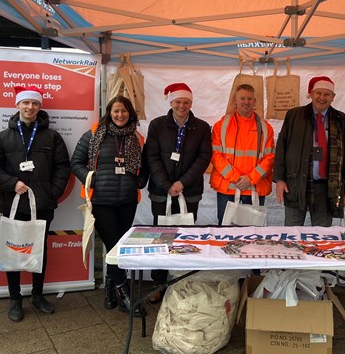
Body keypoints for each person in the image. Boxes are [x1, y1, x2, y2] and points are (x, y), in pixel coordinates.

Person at [0, 85, 70, 322]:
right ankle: (15, 298)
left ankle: (37, 295)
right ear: (17, 106)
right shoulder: (2, 138)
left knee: (39, 250)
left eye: (34, 103)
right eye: (25, 103)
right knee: (13, 250)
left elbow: (62, 167)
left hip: (43, 205)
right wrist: (11, 183)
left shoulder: (52, 137)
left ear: (39, 107)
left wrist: (51, 193)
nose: (30, 107)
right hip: (13, 203)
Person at [71, 95, 146, 313]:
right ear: (109, 113)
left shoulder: (137, 138)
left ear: (129, 113)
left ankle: (109, 289)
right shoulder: (95, 134)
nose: (120, 115)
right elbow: (75, 162)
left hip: (128, 201)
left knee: (118, 248)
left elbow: (145, 165)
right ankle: (126, 296)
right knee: (114, 246)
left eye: (124, 111)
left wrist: (140, 181)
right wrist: (92, 178)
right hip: (101, 201)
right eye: (116, 111)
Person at [144, 83, 212, 303]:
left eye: (186, 102)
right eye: (178, 102)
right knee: (162, 239)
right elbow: (151, 157)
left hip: (189, 191)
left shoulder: (201, 127)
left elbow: (204, 158)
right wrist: (167, 185)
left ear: (191, 103)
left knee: (185, 237)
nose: (182, 106)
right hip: (161, 192)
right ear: (171, 102)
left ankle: (182, 281)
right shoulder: (157, 125)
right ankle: (158, 283)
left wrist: (181, 183)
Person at [274, 76, 345, 226]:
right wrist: (280, 180)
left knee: (322, 235)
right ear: (311, 94)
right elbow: (281, 148)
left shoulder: (342, 120)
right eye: (318, 93)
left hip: (326, 189)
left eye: (327, 94)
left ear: (333, 97)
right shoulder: (294, 116)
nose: (322, 98)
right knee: (293, 233)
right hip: (296, 185)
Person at [210, 84, 275, 225]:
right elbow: (215, 155)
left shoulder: (266, 128)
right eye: (242, 98)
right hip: (228, 190)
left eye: (250, 99)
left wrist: (250, 179)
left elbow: (270, 158)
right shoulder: (221, 126)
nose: (246, 102)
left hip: (255, 188)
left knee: (253, 235)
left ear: (254, 101)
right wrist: (237, 179)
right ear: (235, 101)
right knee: (226, 232)